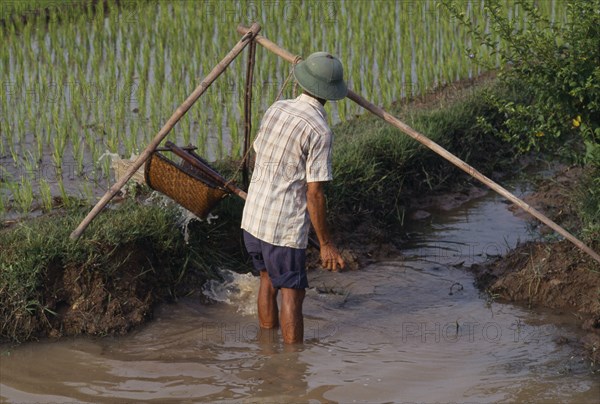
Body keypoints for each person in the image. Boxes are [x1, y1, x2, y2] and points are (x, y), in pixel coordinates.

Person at [241, 51, 347, 344]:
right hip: (281, 227)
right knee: (292, 293)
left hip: (253, 216)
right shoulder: (320, 130)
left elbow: (259, 152)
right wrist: (325, 244)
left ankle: (267, 352)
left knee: (267, 280)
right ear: (330, 93)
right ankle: (292, 371)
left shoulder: (276, 108)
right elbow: (314, 193)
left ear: (304, 82)